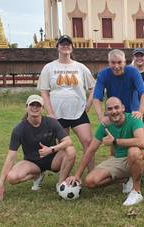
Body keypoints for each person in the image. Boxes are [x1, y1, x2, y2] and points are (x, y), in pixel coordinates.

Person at [65, 97, 144, 206]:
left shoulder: (134, 119)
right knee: (90, 181)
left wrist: (115, 141)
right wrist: (77, 175)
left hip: (142, 158)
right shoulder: (105, 125)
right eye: (110, 109)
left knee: (133, 152)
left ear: (123, 108)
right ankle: (125, 179)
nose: (114, 111)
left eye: (117, 107)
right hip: (119, 159)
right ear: (106, 112)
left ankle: (136, 191)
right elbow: (90, 150)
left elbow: (142, 142)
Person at [37, 35, 95, 187]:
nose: (65, 46)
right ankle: (64, 178)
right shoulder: (49, 68)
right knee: (64, 146)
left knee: (88, 142)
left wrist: (88, 104)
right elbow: (44, 91)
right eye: (62, 44)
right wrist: (50, 112)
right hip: (57, 113)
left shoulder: (80, 67)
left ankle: (92, 174)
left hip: (78, 111)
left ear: (72, 47)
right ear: (57, 47)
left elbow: (94, 87)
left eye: (68, 44)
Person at [0, 95, 76, 201]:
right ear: (26, 107)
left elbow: (68, 141)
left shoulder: (51, 122)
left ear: (42, 108)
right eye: (32, 104)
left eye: (38, 105)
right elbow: (10, 157)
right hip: (32, 163)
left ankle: (60, 184)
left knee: (71, 150)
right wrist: (1, 183)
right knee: (12, 178)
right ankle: (37, 175)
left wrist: (51, 149)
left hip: (53, 160)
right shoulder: (19, 129)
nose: (35, 107)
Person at [92, 49, 144, 125]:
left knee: (138, 136)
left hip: (132, 113)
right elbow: (96, 98)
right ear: (109, 63)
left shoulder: (133, 72)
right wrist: (101, 117)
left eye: (119, 62)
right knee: (111, 136)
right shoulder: (103, 75)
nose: (116, 66)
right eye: (113, 63)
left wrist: (140, 112)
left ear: (124, 62)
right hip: (113, 113)